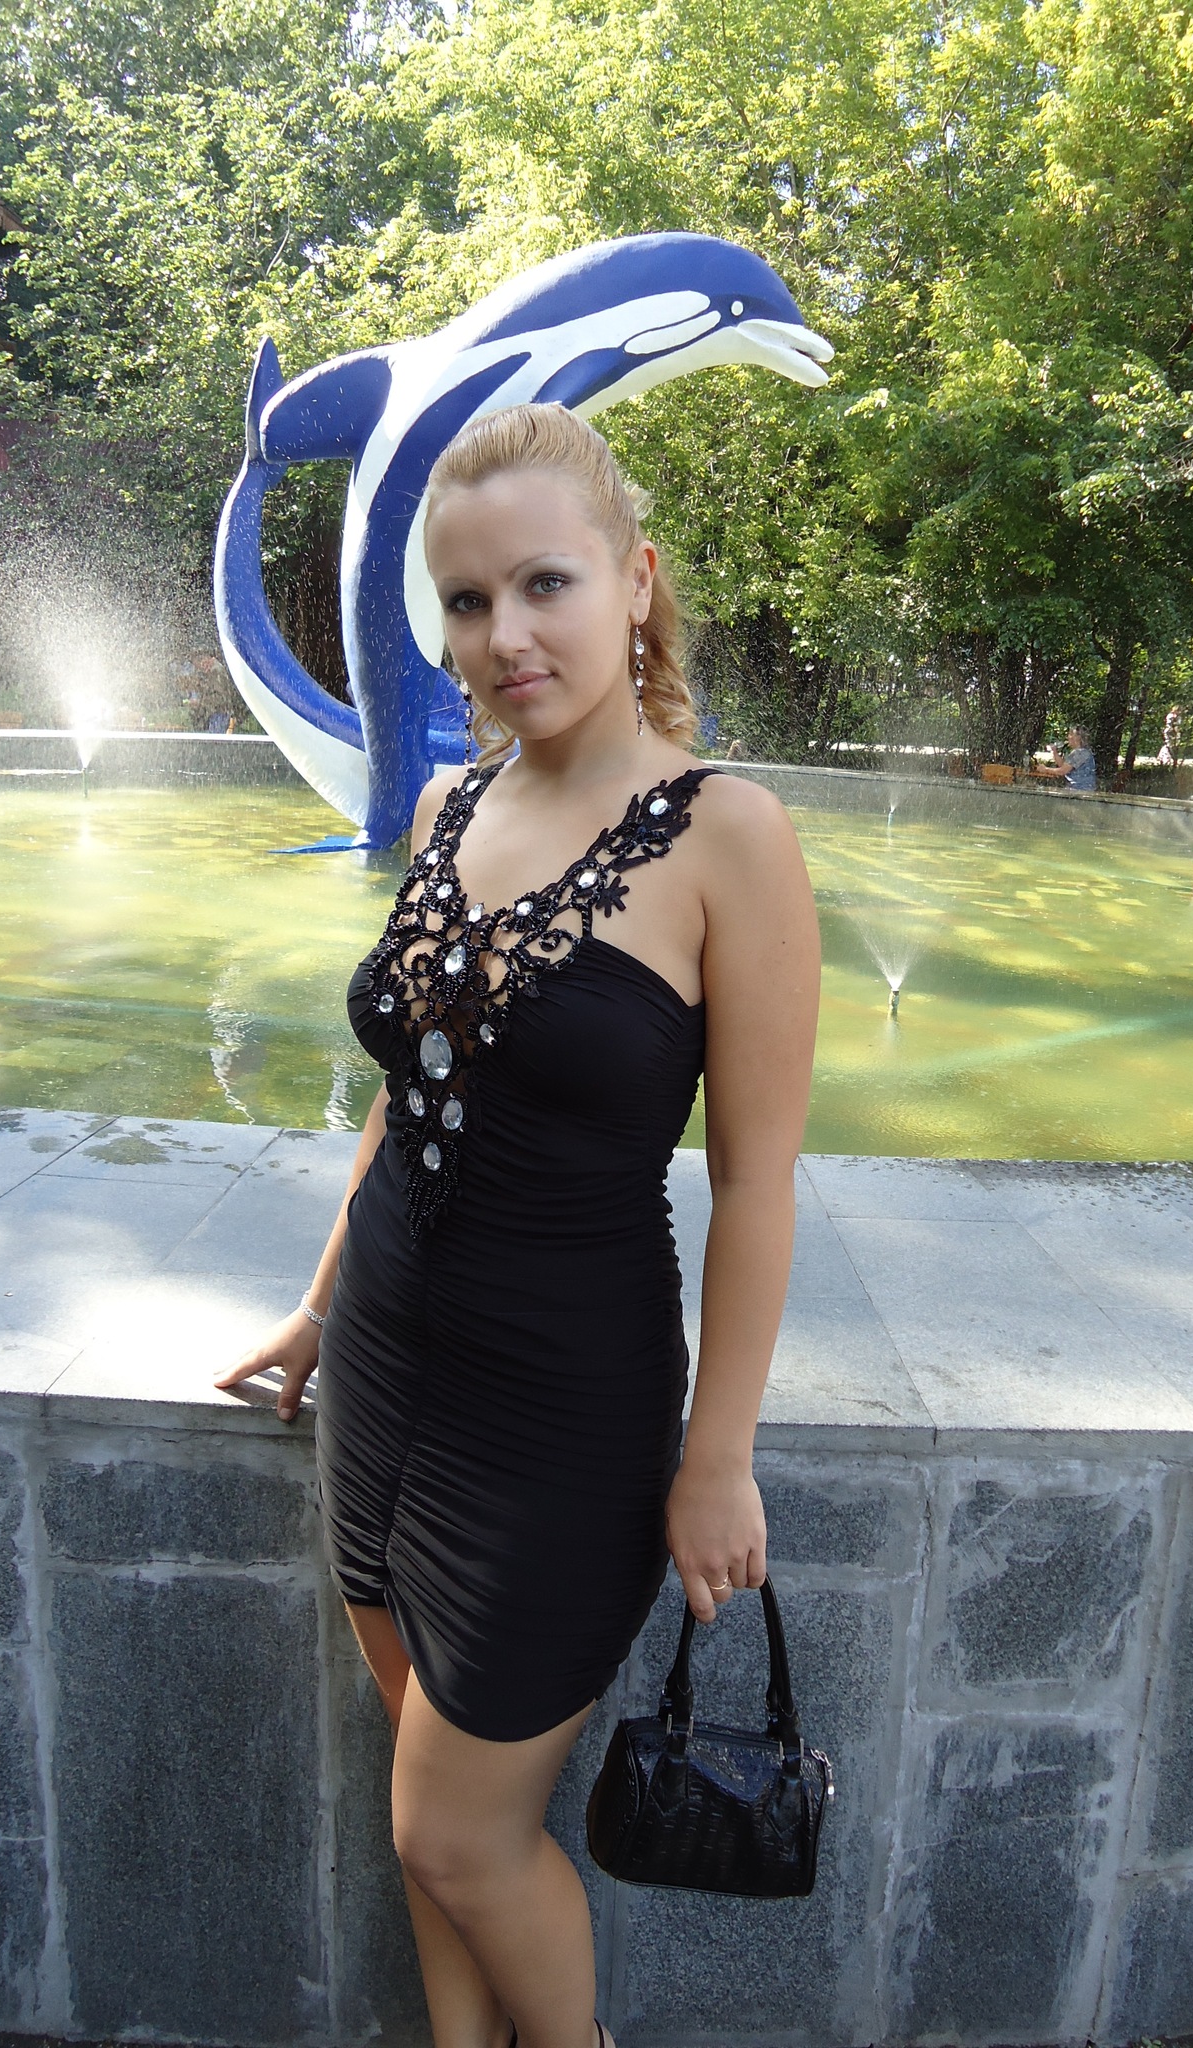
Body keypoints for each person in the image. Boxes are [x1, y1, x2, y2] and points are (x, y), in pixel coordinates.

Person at [216, 403, 820, 2048]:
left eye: (545, 584)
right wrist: (320, 1302)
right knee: (427, 1794)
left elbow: (758, 1179)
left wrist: (718, 1457)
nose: (505, 636)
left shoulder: (729, 837)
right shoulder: (444, 809)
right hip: (383, 1371)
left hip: (561, 1410)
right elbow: (404, 1097)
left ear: (635, 581)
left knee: (454, 1831)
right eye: (469, 602)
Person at [1033, 725, 1097, 792]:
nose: (1068, 737)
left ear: (1078, 737)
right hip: (1080, 789)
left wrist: (1045, 769)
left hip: (1080, 790)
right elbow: (1063, 765)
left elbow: (1062, 771)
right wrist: (1054, 752)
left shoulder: (1079, 753)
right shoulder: (1082, 751)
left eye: (1071, 734)